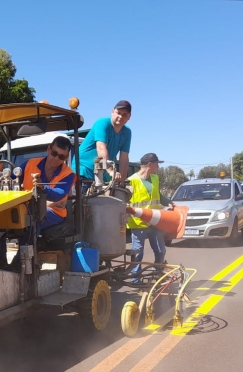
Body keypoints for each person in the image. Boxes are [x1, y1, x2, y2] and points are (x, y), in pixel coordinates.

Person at [0, 136, 76, 268]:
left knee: (33, 218)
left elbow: (59, 194)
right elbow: (11, 179)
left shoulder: (69, 174)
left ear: (66, 157)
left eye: (61, 157)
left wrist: (42, 187)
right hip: (28, 206)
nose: (56, 159)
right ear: (48, 149)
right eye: (54, 153)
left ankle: (20, 263)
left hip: (55, 211)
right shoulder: (30, 164)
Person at [126, 152, 175, 282]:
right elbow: (126, 202)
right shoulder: (131, 181)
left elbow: (158, 196)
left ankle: (157, 273)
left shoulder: (155, 179)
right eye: (157, 164)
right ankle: (135, 279)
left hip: (155, 222)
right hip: (138, 223)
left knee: (160, 251)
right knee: (137, 254)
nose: (158, 167)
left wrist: (168, 201)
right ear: (149, 164)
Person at [74, 100, 132, 186]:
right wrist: (111, 171)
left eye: (124, 115)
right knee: (85, 198)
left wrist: (122, 180)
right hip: (83, 170)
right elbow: (101, 148)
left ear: (129, 117)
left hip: (101, 172)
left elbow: (124, 158)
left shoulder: (127, 132)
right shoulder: (102, 123)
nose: (120, 116)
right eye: (118, 112)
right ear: (112, 112)